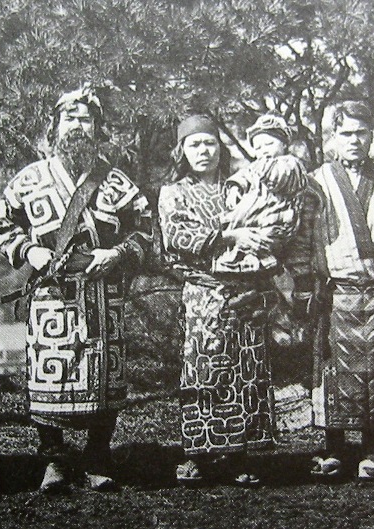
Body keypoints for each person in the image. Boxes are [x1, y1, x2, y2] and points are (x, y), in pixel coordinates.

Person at [0, 87, 152, 493]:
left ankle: (98, 457)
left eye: (86, 119)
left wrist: (117, 253)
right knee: (50, 373)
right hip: (51, 293)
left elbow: (145, 230)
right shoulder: (29, 179)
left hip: (103, 291)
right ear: (55, 126)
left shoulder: (116, 182)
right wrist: (29, 250)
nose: (78, 126)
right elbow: (1, 225)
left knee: (104, 374)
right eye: (70, 118)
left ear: (97, 127)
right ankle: (55, 460)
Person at [286, 101, 374, 482]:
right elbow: (301, 240)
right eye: (346, 133)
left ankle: (372, 449)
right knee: (332, 372)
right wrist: (304, 286)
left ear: (371, 136)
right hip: (334, 293)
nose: (354, 141)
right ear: (333, 137)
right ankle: (333, 448)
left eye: (361, 133)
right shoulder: (315, 182)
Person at [158, 114, 282, 487]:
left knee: (247, 369)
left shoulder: (240, 187)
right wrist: (231, 236)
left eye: (209, 143)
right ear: (182, 151)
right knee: (204, 368)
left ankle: (240, 454)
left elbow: (265, 224)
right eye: (194, 144)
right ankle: (197, 453)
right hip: (204, 293)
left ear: (220, 148)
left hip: (246, 290)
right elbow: (178, 236)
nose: (204, 151)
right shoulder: (174, 192)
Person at [214, 114, 306, 274]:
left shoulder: (289, 162)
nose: (264, 150)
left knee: (266, 237)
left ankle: (263, 261)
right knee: (238, 229)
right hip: (253, 214)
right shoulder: (254, 166)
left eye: (269, 144)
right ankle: (237, 261)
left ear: (284, 144)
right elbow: (242, 176)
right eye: (258, 147)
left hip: (276, 213)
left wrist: (263, 169)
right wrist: (235, 189)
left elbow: (281, 178)